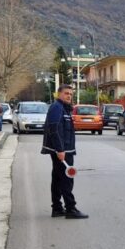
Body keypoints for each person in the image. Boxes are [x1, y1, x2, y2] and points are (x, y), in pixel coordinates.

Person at [43, 84, 87, 219]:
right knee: (67, 179)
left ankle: (57, 208)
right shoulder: (57, 107)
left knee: (57, 179)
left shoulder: (64, 108)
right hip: (63, 151)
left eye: (71, 94)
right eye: (66, 93)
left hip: (64, 149)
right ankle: (70, 209)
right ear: (59, 94)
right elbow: (54, 129)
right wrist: (60, 149)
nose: (69, 96)